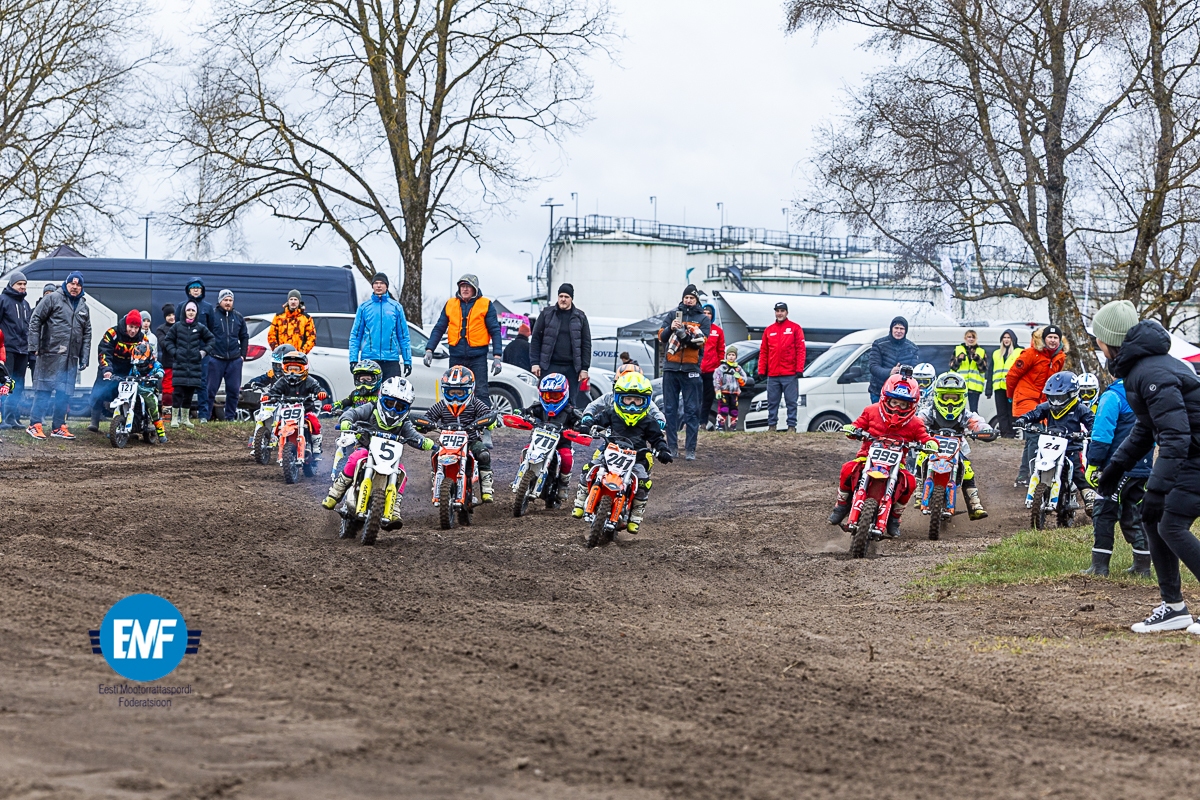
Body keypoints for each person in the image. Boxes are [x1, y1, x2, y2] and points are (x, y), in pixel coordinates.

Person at [1089, 301, 1200, 633]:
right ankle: (1174, 608)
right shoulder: (1144, 368)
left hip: (1194, 457)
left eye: (1097, 337)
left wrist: (1157, 489)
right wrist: (1115, 468)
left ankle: (1175, 606)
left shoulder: (1150, 373)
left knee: (1171, 524)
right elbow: (1145, 427)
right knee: (1154, 519)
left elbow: (1176, 436)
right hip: (1191, 454)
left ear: (1109, 340)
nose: (1096, 343)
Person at [828, 373, 936, 538]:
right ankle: (841, 505)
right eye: (894, 402)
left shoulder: (915, 423)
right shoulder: (871, 411)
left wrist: (930, 443)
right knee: (847, 469)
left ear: (911, 405)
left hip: (896, 464)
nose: (897, 408)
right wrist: (853, 429)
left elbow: (924, 437)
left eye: (903, 404)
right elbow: (857, 425)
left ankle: (894, 518)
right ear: (886, 399)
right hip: (866, 457)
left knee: (910, 482)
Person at [573, 371, 672, 533]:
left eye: (637, 401)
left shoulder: (649, 421)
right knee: (589, 468)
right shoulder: (612, 413)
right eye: (628, 399)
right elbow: (597, 420)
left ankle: (635, 516)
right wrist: (587, 424)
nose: (632, 406)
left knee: (643, 481)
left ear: (646, 402)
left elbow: (657, 438)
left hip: (637, 456)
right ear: (619, 398)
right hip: (610, 451)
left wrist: (663, 450)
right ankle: (580, 500)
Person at [323, 377, 435, 512]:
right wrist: (346, 420)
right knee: (356, 457)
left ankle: (394, 507)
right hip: (365, 448)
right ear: (381, 399)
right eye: (389, 403)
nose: (393, 410)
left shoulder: (404, 422)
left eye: (399, 407)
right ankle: (336, 492)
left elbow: (413, 435)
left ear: (406, 408)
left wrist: (425, 442)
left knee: (402, 472)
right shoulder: (371, 408)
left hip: (389, 459)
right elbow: (353, 412)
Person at [1083, 372, 1152, 578]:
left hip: (1116, 467)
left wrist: (1093, 464)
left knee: (1103, 512)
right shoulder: (1146, 394)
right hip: (1143, 467)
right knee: (1135, 515)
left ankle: (1099, 566)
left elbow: (1102, 434)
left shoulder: (1113, 396)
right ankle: (1142, 567)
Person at [1015, 371, 1096, 516]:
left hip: (1071, 447)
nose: (1056, 402)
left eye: (1060, 397)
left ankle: (1089, 497)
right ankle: (1035, 493)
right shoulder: (1047, 407)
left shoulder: (1079, 408)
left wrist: (1089, 432)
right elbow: (1035, 413)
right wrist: (1024, 419)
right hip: (1050, 445)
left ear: (1072, 394)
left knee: (1078, 472)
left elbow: (1092, 422)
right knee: (1035, 461)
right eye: (1052, 397)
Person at [918, 372, 997, 520]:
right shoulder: (930, 412)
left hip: (957, 450)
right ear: (938, 396)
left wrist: (986, 430)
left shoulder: (965, 414)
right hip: (932, 447)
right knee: (920, 458)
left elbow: (977, 423)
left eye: (954, 398)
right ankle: (919, 490)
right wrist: (914, 428)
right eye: (946, 397)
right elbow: (918, 421)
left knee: (967, 471)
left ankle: (974, 504)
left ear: (962, 397)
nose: (950, 402)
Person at [26, 271, 90, 440]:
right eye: (72, 284)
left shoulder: (83, 306)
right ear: (66, 284)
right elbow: (35, 319)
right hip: (50, 353)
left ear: (82, 287)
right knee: (44, 390)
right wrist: (34, 345)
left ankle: (58, 427)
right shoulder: (53, 298)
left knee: (64, 393)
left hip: (71, 357)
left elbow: (87, 334)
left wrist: (84, 357)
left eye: (78, 285)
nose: (75, 287)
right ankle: (34, 425)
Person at [424, 274, 503, 406]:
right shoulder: (450, 304)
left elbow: (495, 331)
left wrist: (497, 357)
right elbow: (439, 328)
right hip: (456, 356)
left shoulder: (485, 304)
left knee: (481, 391)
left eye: (468, 286)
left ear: (475, 289)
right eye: (462, 286)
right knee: (453, 390)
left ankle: (484, 418)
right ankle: (454, 417)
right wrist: (429, 349)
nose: (465, 289)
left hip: (478, 358)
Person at [421, 365, 498, 501]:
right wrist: (424, 425)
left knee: (483, 454)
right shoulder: (441, 405)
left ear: (469, 390)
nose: (455, 397)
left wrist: (488, 422)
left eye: (460, 393)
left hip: (471, 441)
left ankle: (486, 486)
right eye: (452, 393)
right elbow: (428, 417)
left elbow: (487, 414)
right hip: (447, 444)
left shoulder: (475, 403)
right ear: (445, 391)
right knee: (435, 454)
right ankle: (436, 479)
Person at [1006, 325, 1067, 485]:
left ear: (1059, 340)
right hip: (1026, 398)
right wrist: (1011, 396)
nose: (1052, 340)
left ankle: (1023, 475)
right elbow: (1012, 375)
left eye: (1055, 338)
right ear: (1044, 339)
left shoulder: (1059, 357)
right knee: (1036, 436)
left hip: (1042, 401)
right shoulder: (1030, 354)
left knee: (1033, 438)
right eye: (1050, 337)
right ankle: (1034, 474)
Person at [515, 372, 587, 506]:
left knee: (567, 458)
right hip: (537, 443)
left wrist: (580, 426)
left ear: (564, 394)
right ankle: (523, 473)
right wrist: (522, 413)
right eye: (548, 396)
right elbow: (527, 412)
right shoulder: (538, 408)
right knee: (525, 451)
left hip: (561, 444)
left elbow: (580, 422)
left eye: (555, 396)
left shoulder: (570, 411)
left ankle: (563, 485)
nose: (551, 400)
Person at [657, 284, 711, 460]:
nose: (688, 300)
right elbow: (661, 337)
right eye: (686, 297)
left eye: (691, 298)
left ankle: (690, 449)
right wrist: (671, 328)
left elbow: (699, 342)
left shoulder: (703, 319)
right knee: (670, 409)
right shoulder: (672, 315)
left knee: (692, 410)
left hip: (691, 368)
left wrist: (683, 335)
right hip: (671, 368)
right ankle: (672, 447)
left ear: (696, 300)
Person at [528, 283, 591, 405]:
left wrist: (584, 368)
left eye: (566, 296)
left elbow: (586, 344)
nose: (563, 299)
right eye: (561, 296)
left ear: (571, 298)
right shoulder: (546, 314)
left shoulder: (580, 317)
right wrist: (535, 363)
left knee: (570, 403)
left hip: (572, 369)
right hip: (549, 366)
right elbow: (535, 339)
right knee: (547, 400)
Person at [87, 310, 148, 432]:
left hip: (129, 369)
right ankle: (95, 420)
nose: (133, 331)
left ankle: (132, 424)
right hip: (110, 367)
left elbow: (145, 357)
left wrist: (143, 372)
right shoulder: (112, 333)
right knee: (99, 392)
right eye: (131, 327)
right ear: (126, 324)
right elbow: (104, 351)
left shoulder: (143, 338)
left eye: (136, 328)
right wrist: (107, 369)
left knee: (133, 396)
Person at [162, 301, 215, 429]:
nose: (191, 313)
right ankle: (175, 418)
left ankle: (185, 418)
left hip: (194, 365)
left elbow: (211, 339)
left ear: (196, 313)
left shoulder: (200, 327)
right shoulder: (177, 326)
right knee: (178, 392)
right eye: (188, 310)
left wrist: (203, 352)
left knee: (189, 393)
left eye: (193, 310)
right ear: (184, 311)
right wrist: (174, 352)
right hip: (180, 364)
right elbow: (167, 340)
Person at [348, 272, 411, 380]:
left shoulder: (396, 307)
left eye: (381, 283)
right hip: (369, 359)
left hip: (391, 361)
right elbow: (355, 336)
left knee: (392, 390)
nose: (378, 286)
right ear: (372, 286)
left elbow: (403, 336)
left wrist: (407, 360)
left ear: (386, 286)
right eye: (376, 283)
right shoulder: (364, 308)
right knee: (368, 390)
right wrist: (353, 359)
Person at [757, 301, 806, 432]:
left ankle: (791, 426)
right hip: (773, 374)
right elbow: (764, 351)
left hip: (790, 373)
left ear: (787, 312)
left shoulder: (795, 328)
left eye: (782, 311)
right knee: (772, 402)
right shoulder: (769, 330)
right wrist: (761, 370)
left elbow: (801, 349)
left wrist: (799, 369)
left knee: (791, 402)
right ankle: (772, 426)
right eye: (777, 311)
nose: (779, 313)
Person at [263, 350, 324, 456]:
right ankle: (275, 439)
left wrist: (320, 393)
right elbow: (274, 390)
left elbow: (317, 388)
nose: (292, 372)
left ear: (303, 369)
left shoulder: (309, 381)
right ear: (285, 369)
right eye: (290, 369)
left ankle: (316, 445)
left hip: (305, 410)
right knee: (277, 424)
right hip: (287, 410)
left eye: (296, 369)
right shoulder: (282, 381)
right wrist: (268, 395)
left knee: (314, 421)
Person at [175, 278, 219, 424]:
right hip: (184, 352)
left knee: (202, 383)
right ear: (188, 290)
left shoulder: (208, 307)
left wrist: (205, 350)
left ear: (202, 290)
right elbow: (177, 328)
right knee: (182, 383)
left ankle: (203, 415)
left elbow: (211, 331)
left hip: (201, 353)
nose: (195, 290)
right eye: (193, 287)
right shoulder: (181, 306)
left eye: (198, 287)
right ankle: (180, 415)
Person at [207, 289, 249, 422]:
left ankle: (229, 417)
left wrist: (243, 355)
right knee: (210, 390)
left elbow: (244, 336)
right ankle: (206, 416)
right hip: (215, 358)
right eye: (225, 300)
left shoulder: (238, 317)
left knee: (234, 391)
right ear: (220, 301)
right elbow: (205, 335)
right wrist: (208, 353)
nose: (228, 303)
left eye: (230, 300)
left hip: (234, 360)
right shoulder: (212, 316)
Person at [0, 271, 32, 428]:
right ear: (12, 285)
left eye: (24, 284)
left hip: (23, 350)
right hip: (7, 350)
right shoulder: (2, 300)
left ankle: (12, 417)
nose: (22, 287)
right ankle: (2, 419)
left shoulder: (26, 305)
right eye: (19, 284)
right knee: (5, 383)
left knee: (18, 385)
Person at [867, 316, 920, 404]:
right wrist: (890, 372)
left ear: (906, 331)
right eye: (896, 328)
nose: (898, 331)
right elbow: (873, 367)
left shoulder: (913, 348)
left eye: (902, 329)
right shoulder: (879, 344)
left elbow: (914, 370)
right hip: (879, 391)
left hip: (903, 394)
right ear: (891, 328)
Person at [127, 341, 167, 443]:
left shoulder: (155, 364)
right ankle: (120, 427)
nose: (139, 365)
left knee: (152, 405)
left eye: (141, 362)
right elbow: (130, 374)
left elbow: (161, 371)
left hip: (148, 390)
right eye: (137, 363)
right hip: (134, 390)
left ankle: (161, 433)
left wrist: (157, 375)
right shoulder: (135, 366)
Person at [989, 329, 1022, 438]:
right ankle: (1004, 434)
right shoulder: (996, 353)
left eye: (1008, 338)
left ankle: (1012, 433)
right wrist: (988, 389)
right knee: (1001, 412)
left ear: (1013, 339)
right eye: (1004, 338)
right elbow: (990, 371)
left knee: (1011, 412)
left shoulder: (1019, 352)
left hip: (1012, 388)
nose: (1006, 340)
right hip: (998, 388)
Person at [699, 303, 725, 430]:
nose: (706, 315)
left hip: (711, 371)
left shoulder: (718, 331)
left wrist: (718, 368)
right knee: (694, 398)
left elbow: (721, 351)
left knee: (707, 398)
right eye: (704, 313)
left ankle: (703, 423)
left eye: (709, 313)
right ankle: (690, 422)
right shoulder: (696, 329)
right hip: (697, 369)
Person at [268, 289, 317, 355]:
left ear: (299, 301)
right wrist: (278, 350)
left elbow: (311, 338)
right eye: (291, 299)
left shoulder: (306, 318)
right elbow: (271, 335)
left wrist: (302, 352)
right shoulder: (279, 317)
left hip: (298, 356)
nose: (293, 302)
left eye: (295, 299)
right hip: (281, 355)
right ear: (288, 301)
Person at [949, 329, 988, 412]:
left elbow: (984, 369)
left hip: (974, 387)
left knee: (974, 411)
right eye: (969, 337)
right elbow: (952, 367)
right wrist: (959, 359)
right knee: (958, 409)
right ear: (965, 338)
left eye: (973, 337)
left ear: (976, 339)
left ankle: (973, 421)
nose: (971, 339)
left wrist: (977, 359)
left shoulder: (981, 351)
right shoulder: (958, 349)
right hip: (960, 386)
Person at [712, 346, 748, 431]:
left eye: (733, 355)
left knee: (734, 411)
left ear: (736, 356)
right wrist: (718, 390)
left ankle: (733, 427)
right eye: (729, 355)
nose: (731, 357)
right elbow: (716, 379)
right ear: (726, 356)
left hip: (734, 393)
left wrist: (739, 377)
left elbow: (744, 380)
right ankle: (720, 426)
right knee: (723, 409)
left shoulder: (738, 368)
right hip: (724, 392)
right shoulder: (722, 368)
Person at [155, 304, 176, 412]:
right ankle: (167, 412)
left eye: (173, 314)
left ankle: (179, 413)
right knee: (167, 390)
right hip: (168, 364)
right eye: (168, 315)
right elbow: (163, 344)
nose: (171, 317)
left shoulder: (181, 326)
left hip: (181, 363)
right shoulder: (161, 329)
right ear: (165, 317)